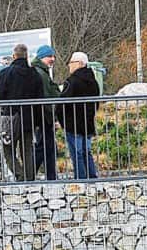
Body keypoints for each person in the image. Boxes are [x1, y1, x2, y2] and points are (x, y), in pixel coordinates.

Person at [0, 43, 44, 181]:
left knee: (8, 149)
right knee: (27, 150)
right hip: (29, 118)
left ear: (14, 56)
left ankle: (19, 175)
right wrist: (38, 120)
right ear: (26, 56)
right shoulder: (34, 74)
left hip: (9, 118)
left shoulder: (6, 73)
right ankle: (30, 178)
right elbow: (40, 98)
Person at [58, 51, 100, 180]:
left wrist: (62, 121)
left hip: (73, 124)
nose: (69, 65)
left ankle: (81, 179)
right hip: (88, 124)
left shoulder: (71, 81)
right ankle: (92, 177)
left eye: (72, 62)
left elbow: (62, 103)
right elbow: (96, 103)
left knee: (77, 153)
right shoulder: (94, 82)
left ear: (80, 64)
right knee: (86, 151)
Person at [32, 44, 61, 181]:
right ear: (42, 57)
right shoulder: (41, 73)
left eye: (53, 56)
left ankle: (50, 176)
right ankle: (30, 176)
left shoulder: (42, 72)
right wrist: (53, 117)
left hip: (45, 116)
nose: (53, 59)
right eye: (50, 56)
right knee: (43, 147)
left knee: (47, 148)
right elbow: (47, 96)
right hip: (44, 117)